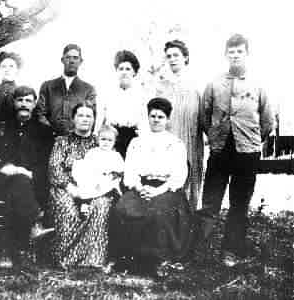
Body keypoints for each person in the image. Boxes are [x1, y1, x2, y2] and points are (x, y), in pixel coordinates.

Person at [198, 34, 274, 267]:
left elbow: (268, 121)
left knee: (239, 203)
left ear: (246, 53)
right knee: (210, 202)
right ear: (226, 55)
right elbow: (204, 115)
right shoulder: (214, 84)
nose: (235, 55)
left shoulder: (259, 84)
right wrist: (214, 136)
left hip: (247, 153)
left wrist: (251, 141)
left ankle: (230, 251)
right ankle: (201, 250)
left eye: (239, 51)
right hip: (220, 151)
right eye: (231, 52)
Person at [110, 97, 192, 273]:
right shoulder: (137, 142)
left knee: (157, 213)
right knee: (123, 208)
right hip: (141, 186)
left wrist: (157, 191)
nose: (156, 120)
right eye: (153, 116)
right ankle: (127, 256)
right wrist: (139, 188)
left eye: (160, 117)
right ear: (148, 117)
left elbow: (179, 174)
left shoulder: (175, 143)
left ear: (167, 120)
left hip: (166, 188)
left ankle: (156, 260)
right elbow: (130, 170)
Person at [0, 85, 55, 269]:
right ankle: (33, 226)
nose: (24, 104)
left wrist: (28, 173)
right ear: (13, 102)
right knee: (18, 186)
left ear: (34, 104)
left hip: (30, 181)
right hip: (0, 178)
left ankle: (7, 251)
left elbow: (46, 163)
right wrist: (3, 166)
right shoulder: (1, 127)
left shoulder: (44, 131)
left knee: (18, 188)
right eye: (20, 100)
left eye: (28, 100)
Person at [49, 102, 116, 269]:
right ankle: (66, 258)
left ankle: (92, 259)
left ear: (94, 120)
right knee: (68, 208)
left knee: (101, 206)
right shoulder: (62, 141)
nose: (85, 119)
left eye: (89, 116)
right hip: (66, 187)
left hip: (95, 189)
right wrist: (71, 189)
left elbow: (112, 166)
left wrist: (98, 187)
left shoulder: (99, 141)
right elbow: (54, 168)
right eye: (80, 115)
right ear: (73, 119)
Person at [156, 40, 204, 210]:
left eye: (176, 55)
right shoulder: (162, 87)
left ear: (185, 58)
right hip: (169, 142)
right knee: (169, 182)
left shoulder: (197, 86)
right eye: (168, 56)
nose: (172, 59)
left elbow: (204, 118)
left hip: (191, 141)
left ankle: (190, 224)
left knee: (191, 183)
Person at [36, 44, 97, 136]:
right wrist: (51, 131)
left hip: (76, 139)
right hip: (49, 138)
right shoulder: (48, 86)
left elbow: (90, 116)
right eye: (68, 57)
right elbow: (40, 113)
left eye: (75, 58)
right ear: (62, 60)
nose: (71, 61)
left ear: (80, 61)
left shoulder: (88, 89)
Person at [99, 50, 150, 157]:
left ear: (134, 72)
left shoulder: (142, 95)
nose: (124, 72)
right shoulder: (107, 93)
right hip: (112, 138)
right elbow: (101, 119)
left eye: (128, 69)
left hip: (134, 139)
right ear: (116, 71)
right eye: (121, 69)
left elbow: (144, 123)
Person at [71, 124, 124, 216]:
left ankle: (97, 200)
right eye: (103, 139)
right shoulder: (93, 152)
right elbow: (86, 166)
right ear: (98, 139)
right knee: (86, 184)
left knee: (105, 186)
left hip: (108, 179)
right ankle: (85, 203)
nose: (106, 143)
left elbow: (119, 171)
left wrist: (110, 176)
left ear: (114, 142)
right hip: (93, 177)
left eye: (110, 140)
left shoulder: (115, 155)